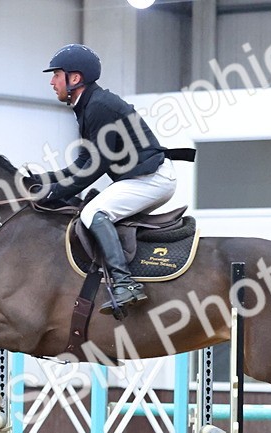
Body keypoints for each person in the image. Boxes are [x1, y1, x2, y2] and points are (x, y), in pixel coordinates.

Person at [34, 44, 177, 315]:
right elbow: (84, 162)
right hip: (141, 177)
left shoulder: (98, 106)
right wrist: (45, 180)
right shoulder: (89, 105)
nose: (52, 82)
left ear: (75, 78)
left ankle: (125, 284)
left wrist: (54, 193)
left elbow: (96, 167)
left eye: (56, 75)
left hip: (152, 178)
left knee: (94, 212)